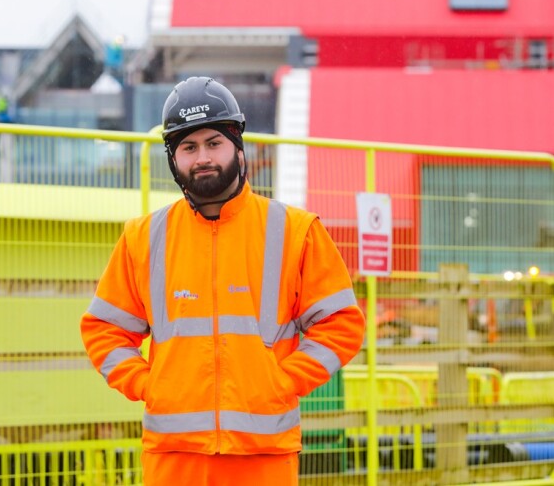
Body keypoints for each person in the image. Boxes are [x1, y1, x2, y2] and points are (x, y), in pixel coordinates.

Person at [80, 76, 365, 486]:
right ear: (172, 157)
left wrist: (283, 382)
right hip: (174, 457)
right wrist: (148, 384)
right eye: (188, 147)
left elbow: (342, 323)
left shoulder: (295, 230)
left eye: (214, 142)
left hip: (263, 453)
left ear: (237, 145)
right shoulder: (143, 237)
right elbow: (104, 329)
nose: (203, 158)